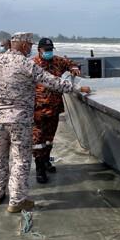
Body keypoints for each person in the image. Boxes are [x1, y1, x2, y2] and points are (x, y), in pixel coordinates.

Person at [0, 32, 91, 213]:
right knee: (20, 160)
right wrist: (76, 87)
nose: (31, 48)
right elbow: (51, 82)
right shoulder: (25, 63)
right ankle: (17, 201)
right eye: (30, 45)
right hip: (19, 120)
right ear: (23, 45)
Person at [32, 37, 81, 183]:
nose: (49, 52)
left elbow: (69, 63)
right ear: (39, 50)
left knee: (49, 139)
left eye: (50, 50)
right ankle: (39, 168)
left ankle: (47, 161)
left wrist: (74, 68)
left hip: (54, 109)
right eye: (46, 50)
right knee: (38, 141)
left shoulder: (57, 61)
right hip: (38, 110)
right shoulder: (32, 64)